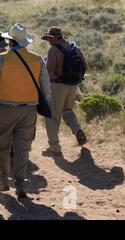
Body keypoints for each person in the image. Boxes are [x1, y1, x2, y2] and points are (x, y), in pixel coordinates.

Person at [0, 24, 50, 199]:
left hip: (6, 109)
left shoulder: (1, 59)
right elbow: (46, 88)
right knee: (22, 149)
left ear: (10, 41)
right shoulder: (38, 59)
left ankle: (1, 180)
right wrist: (39, 104)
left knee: (1, 146)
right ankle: (20, 184)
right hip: (29, 110)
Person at [41, 27, 88, 157]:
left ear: (54, 38)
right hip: (73, 85)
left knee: (52, 116)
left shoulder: (54, 50)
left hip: (58, 86)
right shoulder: (74, 48)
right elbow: (85, 67)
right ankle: (78, 130)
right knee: (67, 110)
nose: (49, 41)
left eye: (50, 39)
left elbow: (49, 73)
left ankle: (54, 148)